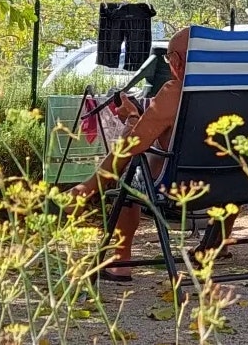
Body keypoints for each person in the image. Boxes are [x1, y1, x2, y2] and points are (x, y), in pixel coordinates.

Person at [70, 27, 190, 282]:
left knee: (130, 170)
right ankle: (216, 245)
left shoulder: (174, 93)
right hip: (235, 186)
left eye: (169, 60)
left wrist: (132, 117)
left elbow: (133, 145)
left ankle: (120, 260)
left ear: (177, 61)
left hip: (176, 188)